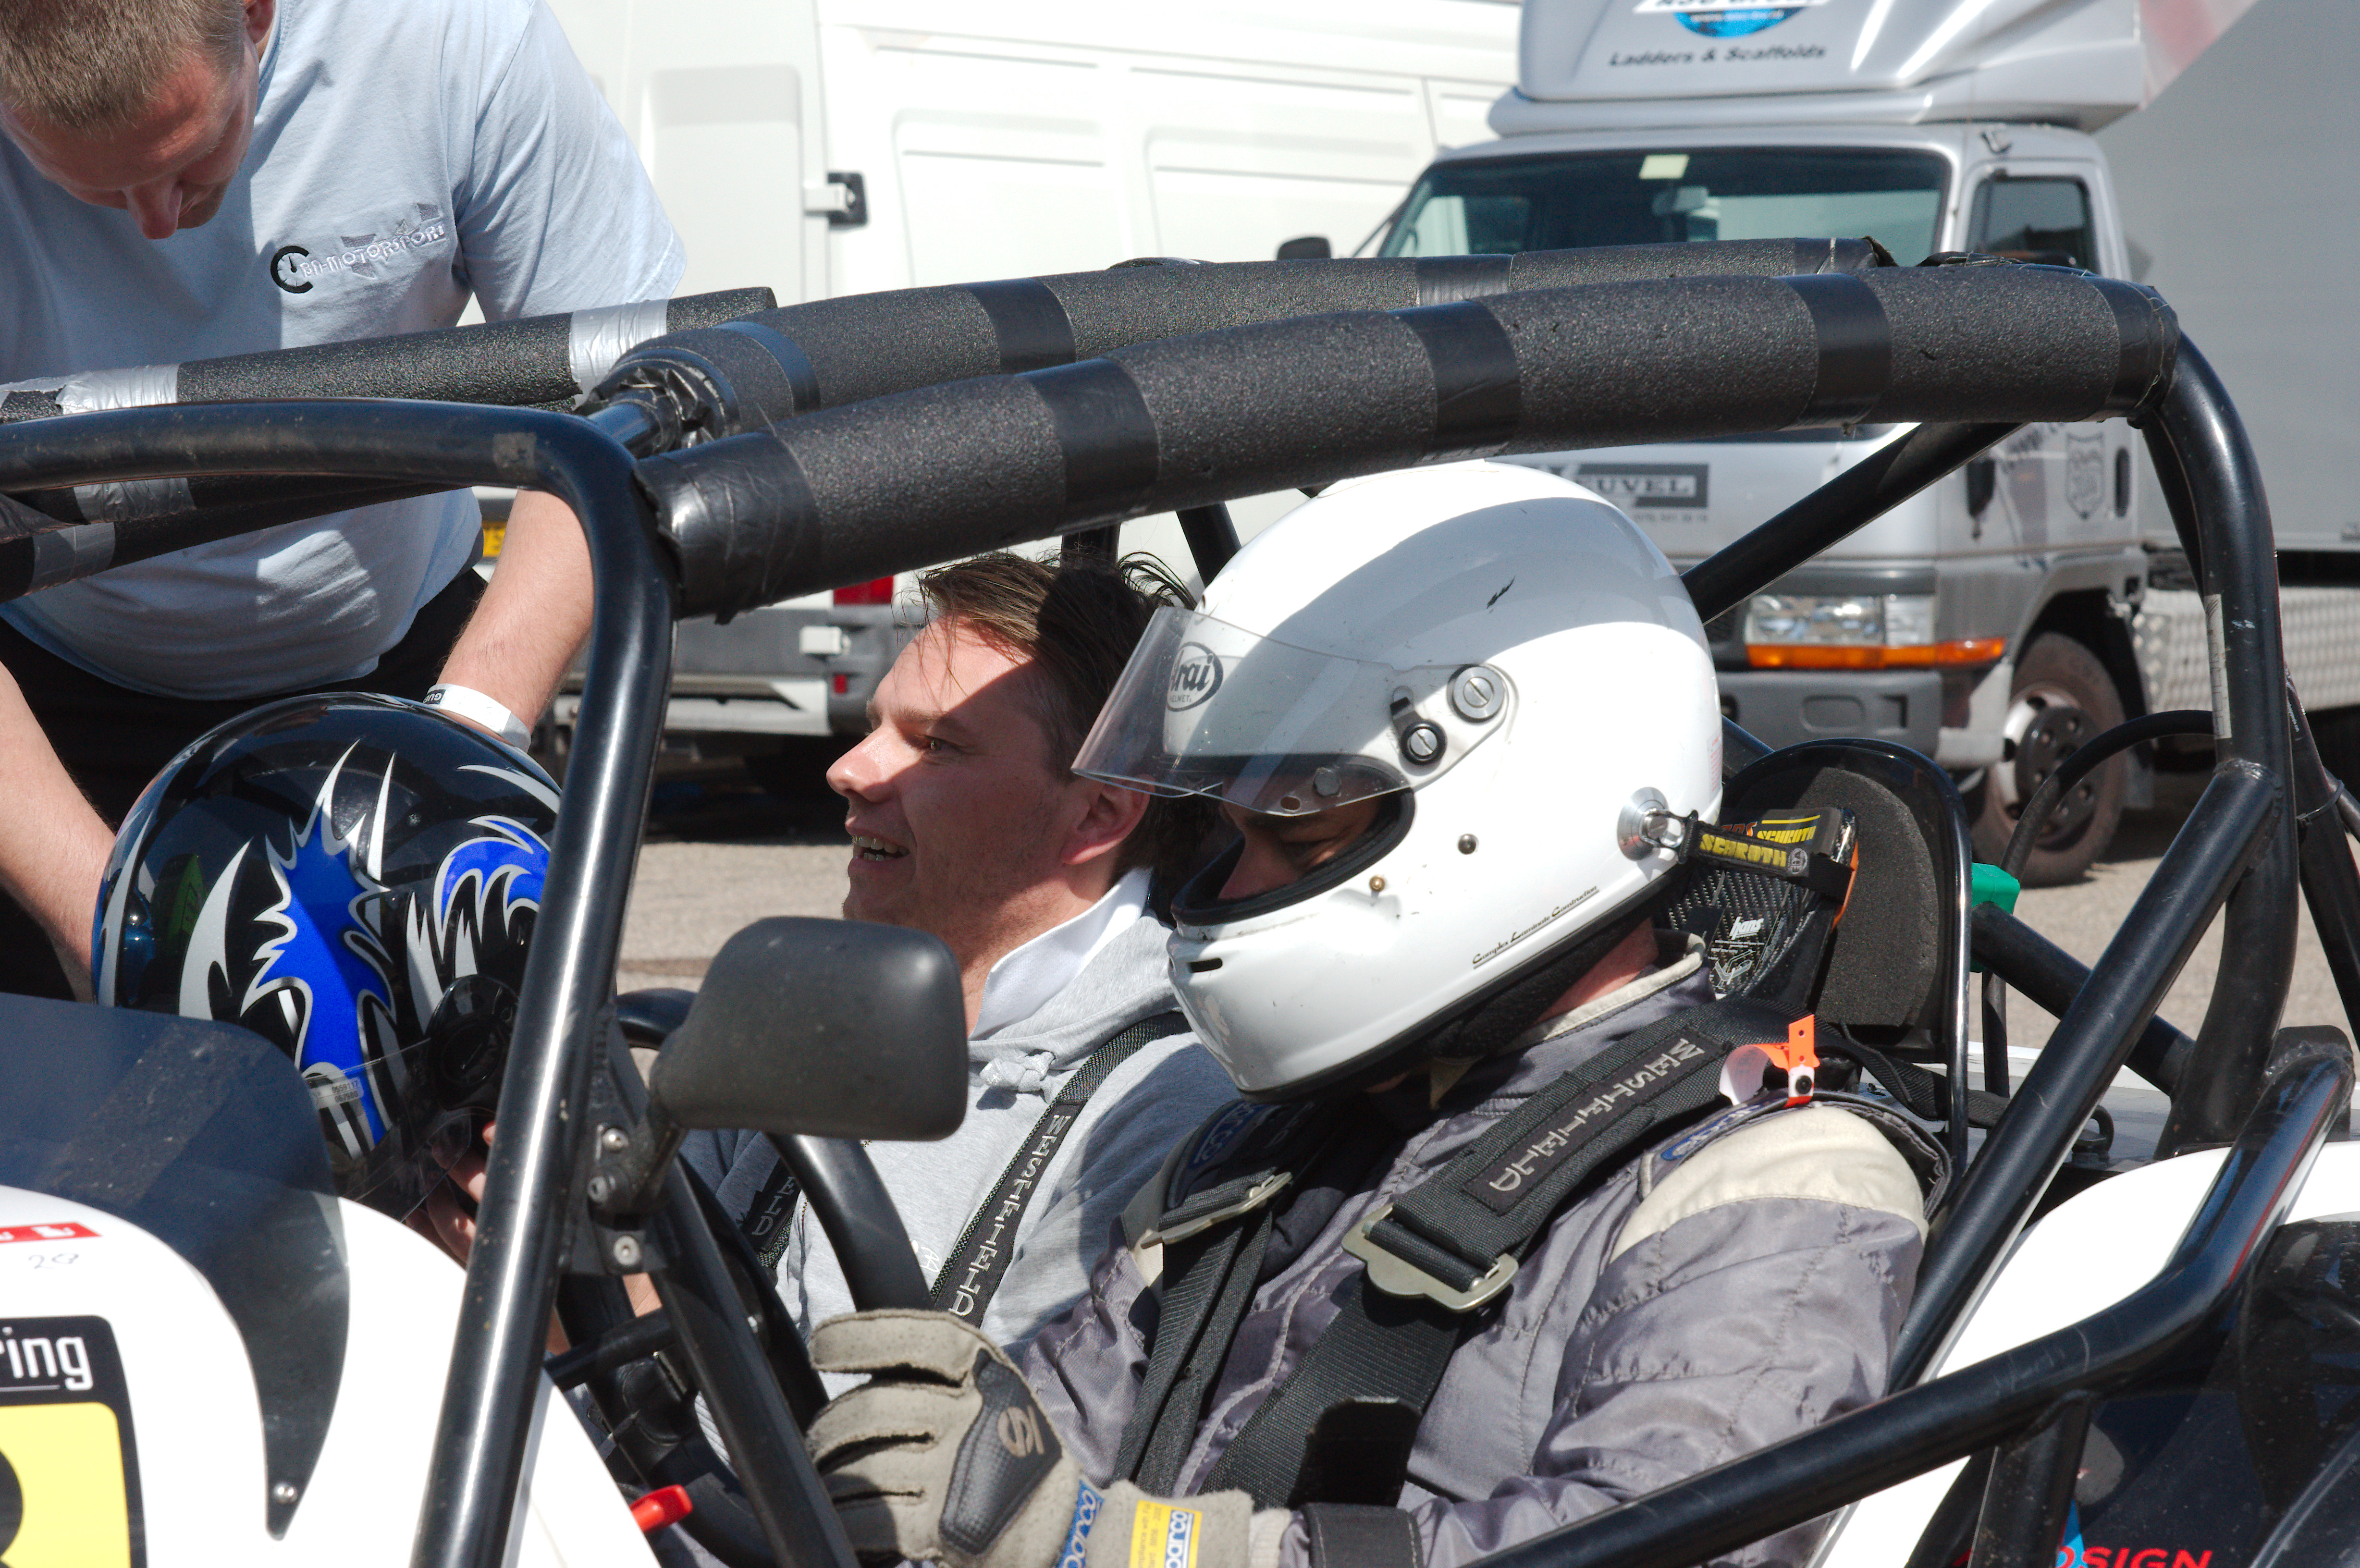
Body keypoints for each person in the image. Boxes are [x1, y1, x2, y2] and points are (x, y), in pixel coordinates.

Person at [802, 463, 1946, 1568]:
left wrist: (1115, 1548)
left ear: (1527, 808)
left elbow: (1661, 1541)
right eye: (1234, 835)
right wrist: (965, 1446)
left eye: (1298, 836)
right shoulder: (1270, 1141)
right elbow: (1069, 1421)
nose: (1239, 891)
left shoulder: (1773, 1180)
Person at [0, 0, 681, 997]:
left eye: (188, 159)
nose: (156, 223)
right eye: (93, 187)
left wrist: (467, 740)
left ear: (254, 15)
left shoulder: (450, 38)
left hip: (415, 680)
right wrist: (100, 918)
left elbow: (636, 404)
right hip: (53, 704)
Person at [680, 551, 1238, 1352]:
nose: (847, 770)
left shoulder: (1168, 1102)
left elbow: (1016, 1426)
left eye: (936, 744)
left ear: (1097, 816)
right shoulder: (801, 1017)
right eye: (874, 727)